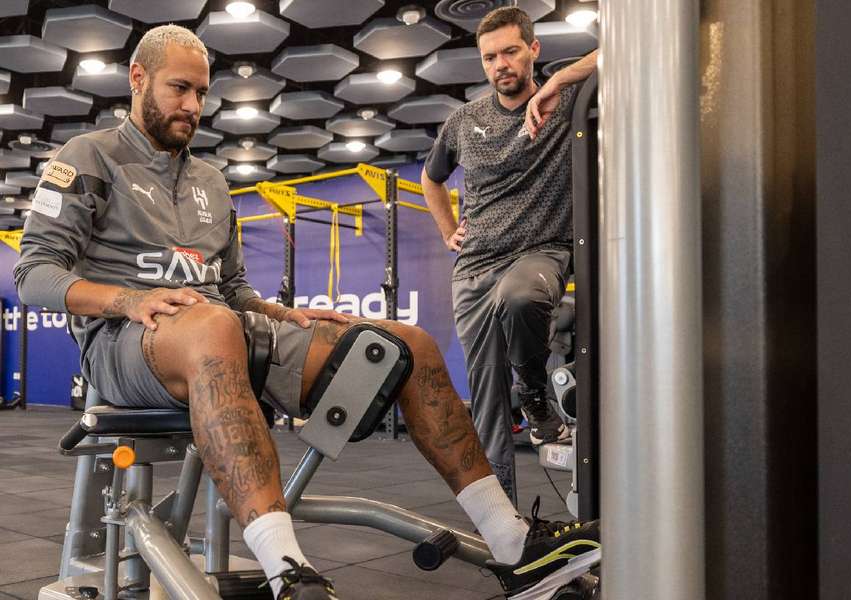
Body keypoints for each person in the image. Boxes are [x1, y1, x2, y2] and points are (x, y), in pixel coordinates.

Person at [13, 25, 600, 600]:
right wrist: (130, 300)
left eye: (201, 93)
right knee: (215, 327)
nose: (193, 106)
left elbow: (233, 290)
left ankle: (513, 547)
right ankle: (289, 572)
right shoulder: (87, 157)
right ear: (137, 79)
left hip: (221, 332)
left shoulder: (211, 181)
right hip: (124, 345)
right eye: (178, 89)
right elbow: (34, 273)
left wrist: (284, 314)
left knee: (407, 345)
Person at [421, 7, 598, 502]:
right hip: (475, 266)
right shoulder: (463, 121)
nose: (501, 64)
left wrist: (560, 79)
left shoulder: (566, 101)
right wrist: (447, 230)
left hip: (541, 250)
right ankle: (505, 527)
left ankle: (537, 401)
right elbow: (431, 179)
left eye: (511, 51)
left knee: (522, 297)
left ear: (533, 50)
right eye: (490, 57)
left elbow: (621, 51)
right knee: (487, 407)